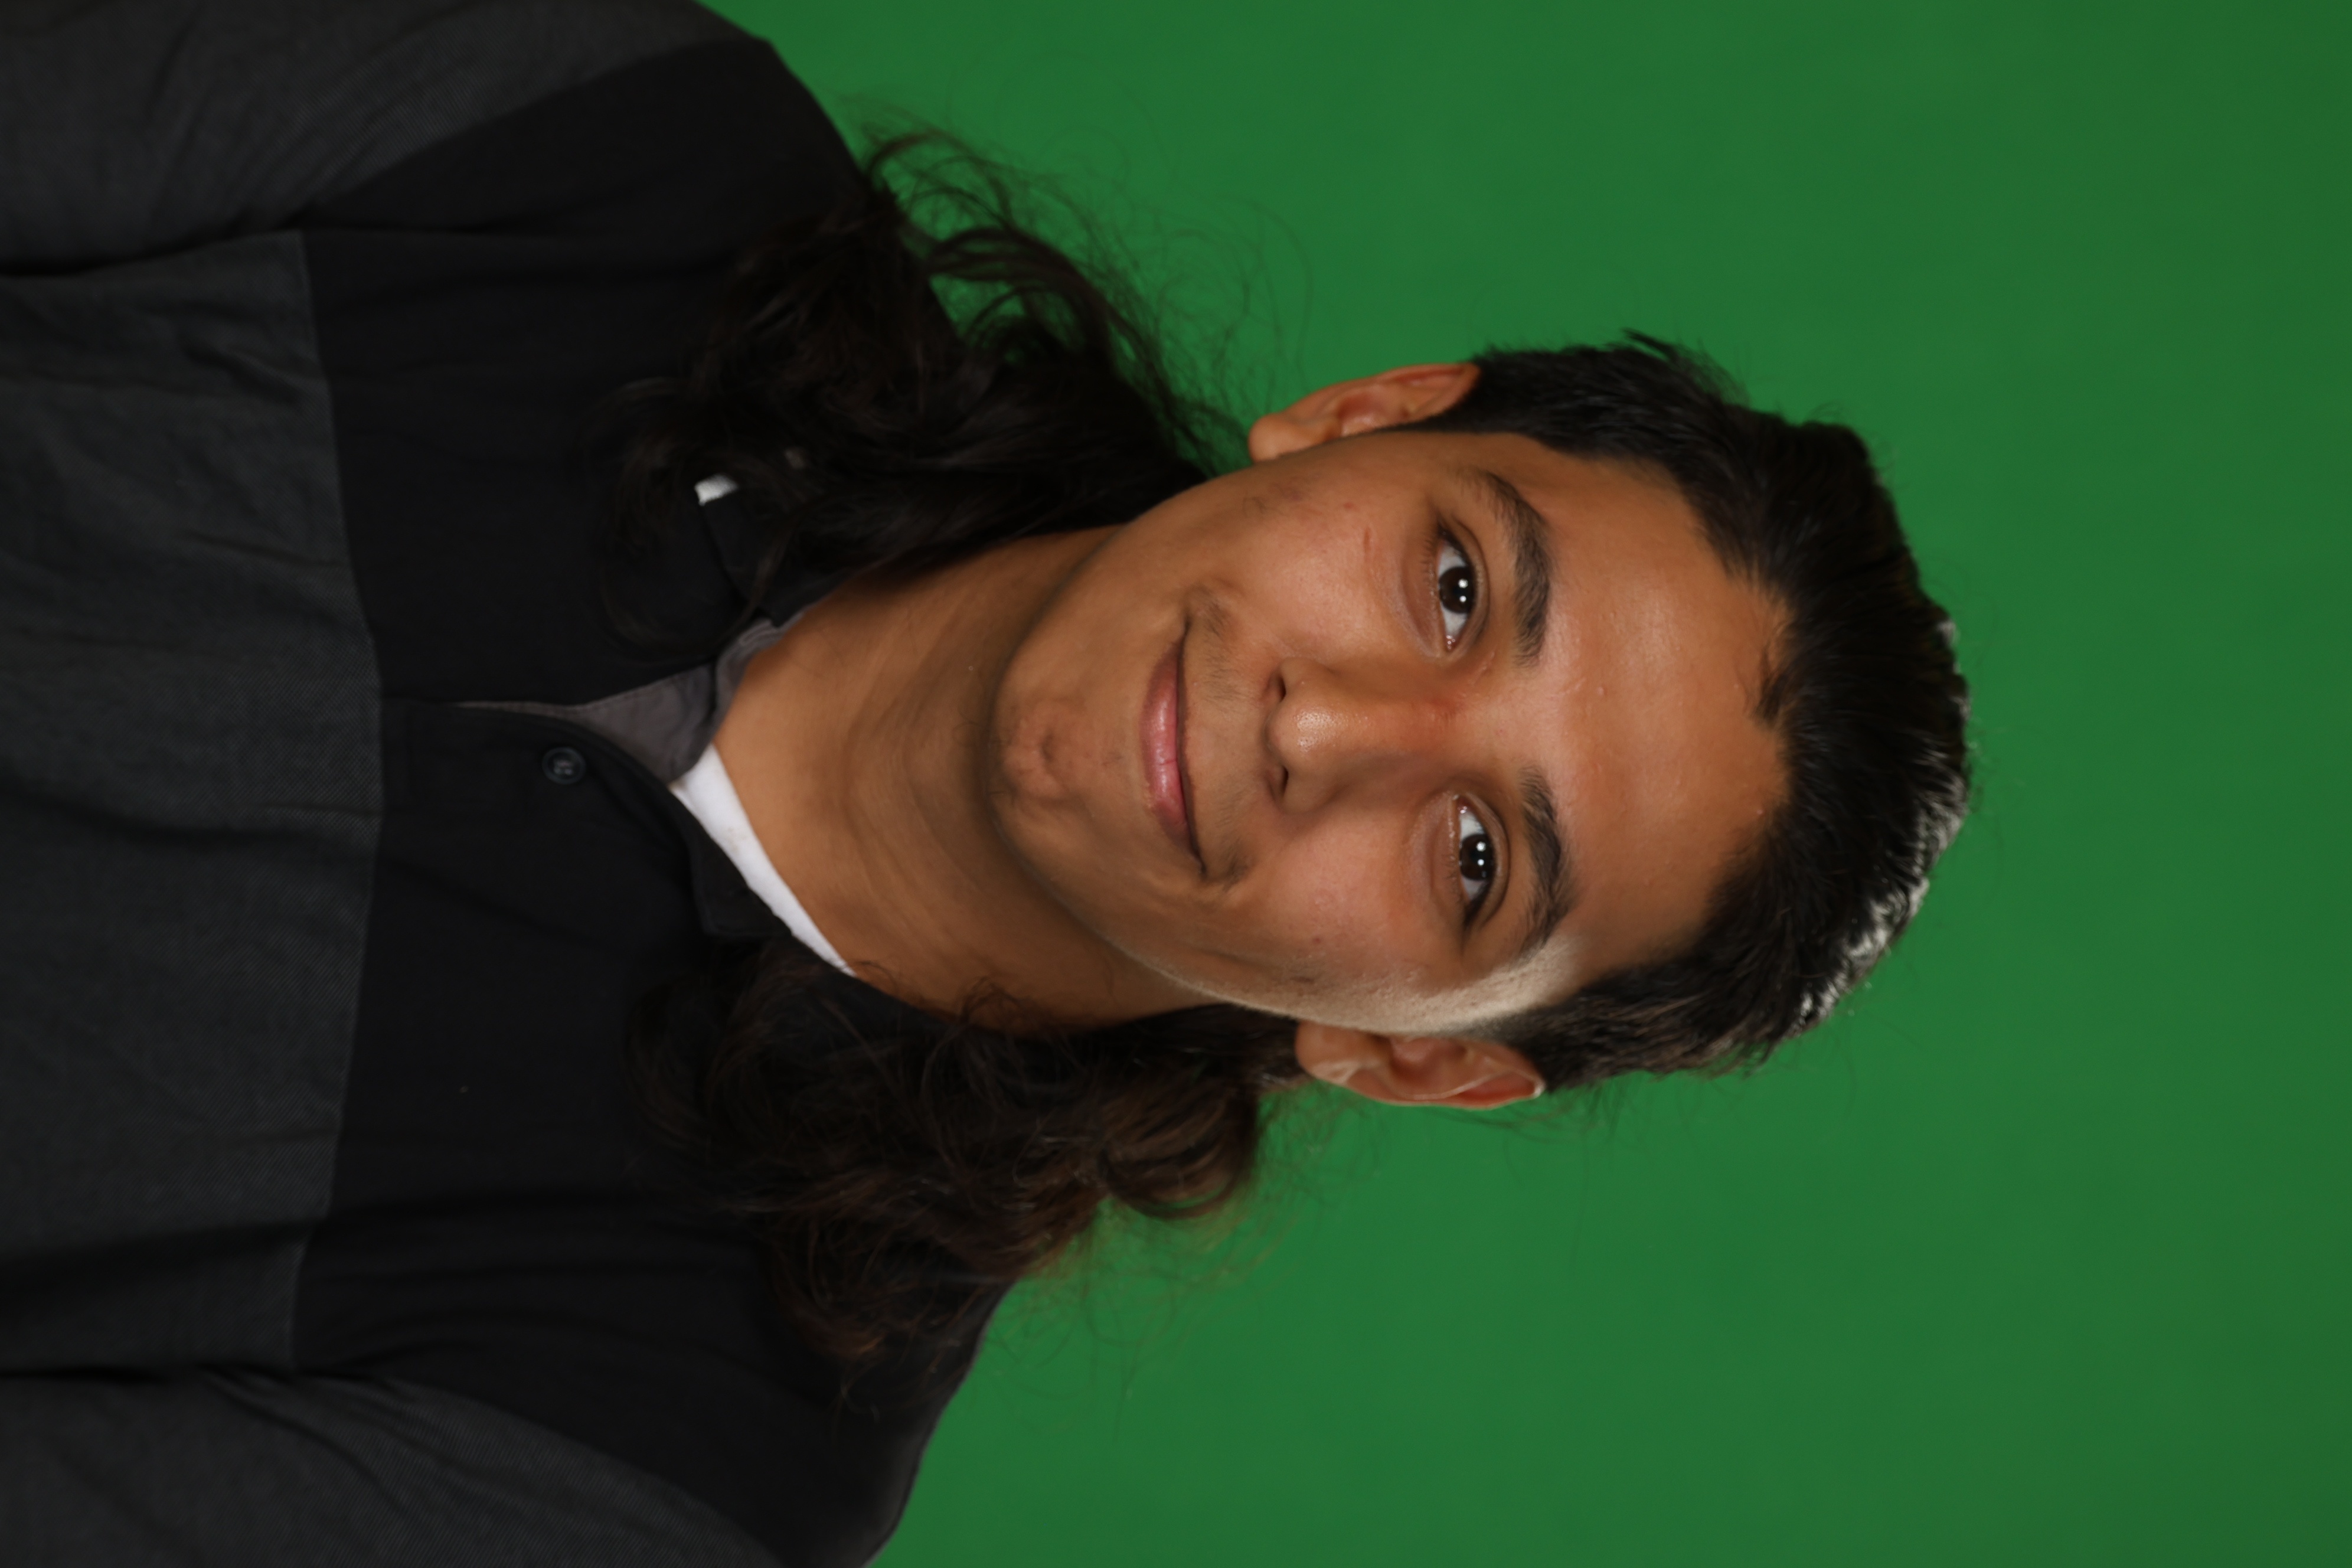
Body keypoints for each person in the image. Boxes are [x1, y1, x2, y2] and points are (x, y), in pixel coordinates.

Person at [0, 0, 1969, 1564]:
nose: (1328, 730)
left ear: (1415, 1059)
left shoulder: (673, 1465)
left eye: (1475, 858)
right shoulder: (625, 149)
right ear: (1367, 417)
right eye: (1453, 587)